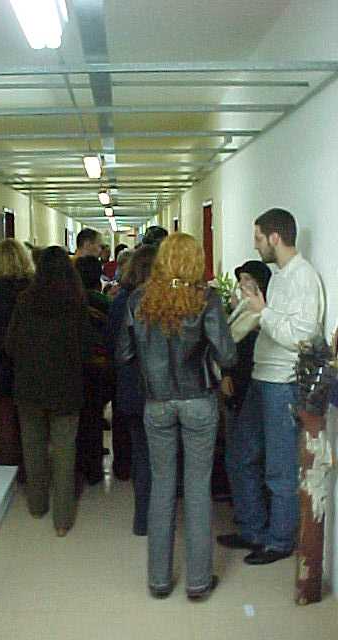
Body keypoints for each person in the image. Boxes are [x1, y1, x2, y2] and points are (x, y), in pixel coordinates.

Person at [116, 233, 236, 599]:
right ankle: (198, 582)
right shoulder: (206, 299)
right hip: (198, 401)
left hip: (157, 403)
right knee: (198, 489)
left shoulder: (139, 299)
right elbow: (228, 356)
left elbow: (123, 353)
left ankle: (159, 579)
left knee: (162, 485)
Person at [218, 208, 324, 565]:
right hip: (261, 378)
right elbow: (268, 322)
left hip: (282, 384)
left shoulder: (303, 278)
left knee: (279, 468)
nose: (256, 245)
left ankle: (279, 541)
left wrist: (263, 312)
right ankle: (252, 530)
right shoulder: (278, 277)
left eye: (259, 238)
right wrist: (249, 308)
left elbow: (301, 337)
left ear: (275, 237)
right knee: (240, 456)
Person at [5, 246, 91, 536]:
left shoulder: (24, 300)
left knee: (33, 448)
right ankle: (62, 520)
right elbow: (86, 348)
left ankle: (37, 505)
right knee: (65, 453)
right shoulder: (76, 302)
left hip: (29, 386)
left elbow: (11, 344)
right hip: (66, 387)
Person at [107, 244, 158, 534]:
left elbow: (115, 346)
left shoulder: (121, 301)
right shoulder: (165, 300)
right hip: (159, 390)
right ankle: (160, 516)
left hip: (130, 388)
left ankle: (143, 520)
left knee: (141, 454)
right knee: (159, 456)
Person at [220, 260, 271, 496]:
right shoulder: (240, 311)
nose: (241, 285)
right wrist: (226, 374)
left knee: (246, 454)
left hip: (251, 387)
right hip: (236, 385)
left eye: (247, 280)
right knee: (237, 450)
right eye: (240, 280)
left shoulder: (264, 316)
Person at [0, 239, 33, 479]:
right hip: (28, 361)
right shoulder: (32, 285)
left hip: (6, 362)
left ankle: (9, 467)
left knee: (7, 419)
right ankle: (30, 465)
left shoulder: (2, 288)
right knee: (27, 420)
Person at [75, 256, 114, 485]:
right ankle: (94, 467)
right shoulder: (103, 302)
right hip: (100, 365)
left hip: (77, 365)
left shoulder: (71, 301)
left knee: (80, 417)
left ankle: (80, 464)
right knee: (94, 414)